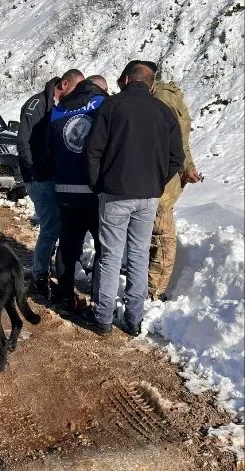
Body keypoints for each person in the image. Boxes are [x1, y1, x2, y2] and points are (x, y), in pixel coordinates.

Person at [78, 62, 184, 337]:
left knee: (111, 255)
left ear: (126, 80)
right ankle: (134, 319)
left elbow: (93, 150)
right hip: (148, 196)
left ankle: (102, 319)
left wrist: (97, 184)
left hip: (115, 193)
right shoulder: (164, 112)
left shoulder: (111, 106)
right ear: (151, 85)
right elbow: (177, 158)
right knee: (138, 256)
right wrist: (157, 181)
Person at [17, 68, 85, 298]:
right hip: (40, 177)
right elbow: (23, 142)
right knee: (50, 226)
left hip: (54, 176)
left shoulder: (60, 107)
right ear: (64, 84)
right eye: (77, 89)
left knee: (57, 225)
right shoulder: (37, 105)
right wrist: (34, 172)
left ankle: (45, 267)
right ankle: (39, 274)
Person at [46, 75, 109, 313]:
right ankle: (98, 300)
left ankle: (65, 296)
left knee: (67, 246)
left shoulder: (59, 110)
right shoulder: (104, 104)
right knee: (103, 247)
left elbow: (48, 150)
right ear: (101, 88)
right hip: (94, 192)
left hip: (65, 190)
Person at [147, 78, 202, 301]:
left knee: (155, 237)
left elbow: (176, 142)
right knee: (163, 240)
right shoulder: (168, 100)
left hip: (153, 181)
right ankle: (153, 293)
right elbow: (179, 143)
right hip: (161, 186)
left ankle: (149, 287)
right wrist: (187, 167)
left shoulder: (160, 99)